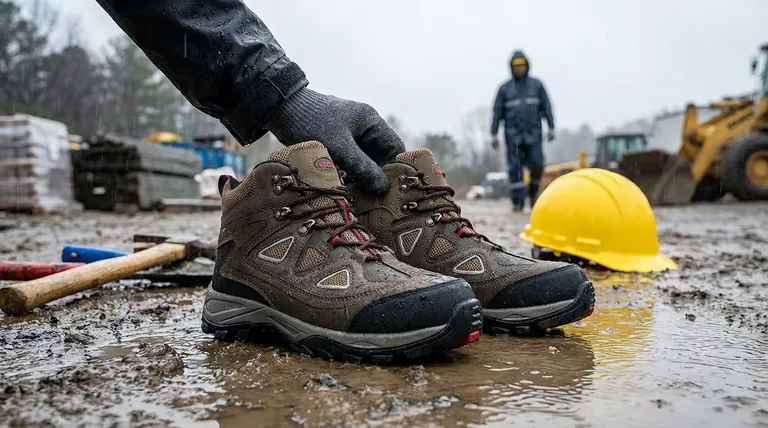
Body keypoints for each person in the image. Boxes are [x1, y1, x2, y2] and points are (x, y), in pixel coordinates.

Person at [96, 1, 593, 362]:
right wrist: (285, 98)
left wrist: (282, 96)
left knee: (395, 175)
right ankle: (254, 271)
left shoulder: (534, 90)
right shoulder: (509, 92)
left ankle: (384, 229)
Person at [490, 50, 555, 212]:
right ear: (511, 68)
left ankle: (533, 194)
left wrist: (551, 126)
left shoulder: (537, 85)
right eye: (516, 66)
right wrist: (493, 134)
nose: (519, 69)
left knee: (538, 164)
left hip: (533, 134)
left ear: (527, 66)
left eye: (522, 65)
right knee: (515, 169)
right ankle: (517, 203)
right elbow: (497, 112)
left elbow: (547, 107)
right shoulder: (504, 89)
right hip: (513, 136)